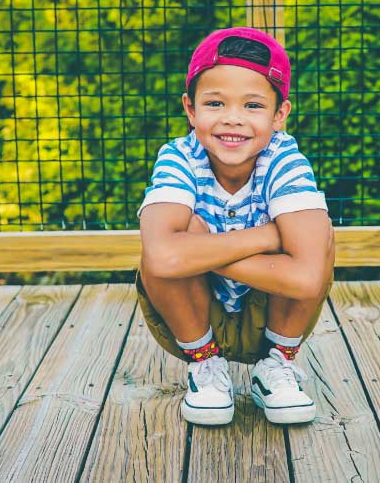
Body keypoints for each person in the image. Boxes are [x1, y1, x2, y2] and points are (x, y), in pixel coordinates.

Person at [136, 27, 335, 426]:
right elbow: (161, 257)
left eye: (252, 106)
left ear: (280, 115)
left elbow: (308, 279)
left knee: (318, 232)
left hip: (270, 311)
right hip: (195, 314)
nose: (232, 119)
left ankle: (277, 366)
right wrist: (265, 236)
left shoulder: (285, 160)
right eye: (214, 103)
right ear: (190, 110)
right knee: (178, 230)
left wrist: (198, 252)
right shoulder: (178, 157)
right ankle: (205, 368)